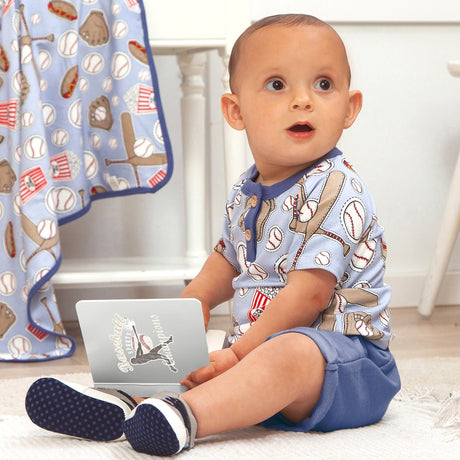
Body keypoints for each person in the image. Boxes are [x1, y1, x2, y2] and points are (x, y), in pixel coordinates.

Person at [25, 14, 401, 456]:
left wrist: (241, 354)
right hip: (263, 351)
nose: (303, 100)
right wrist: (196, 300)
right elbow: (228, 259)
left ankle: (186, 417)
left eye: (323, 85)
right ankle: (128, 400)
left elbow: (309, 297)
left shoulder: (337, 188)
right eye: (278, 85)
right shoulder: (247, 188)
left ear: (350, 107)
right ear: (235, 111)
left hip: (348, 365)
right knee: (176, 345)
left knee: (290, 353)